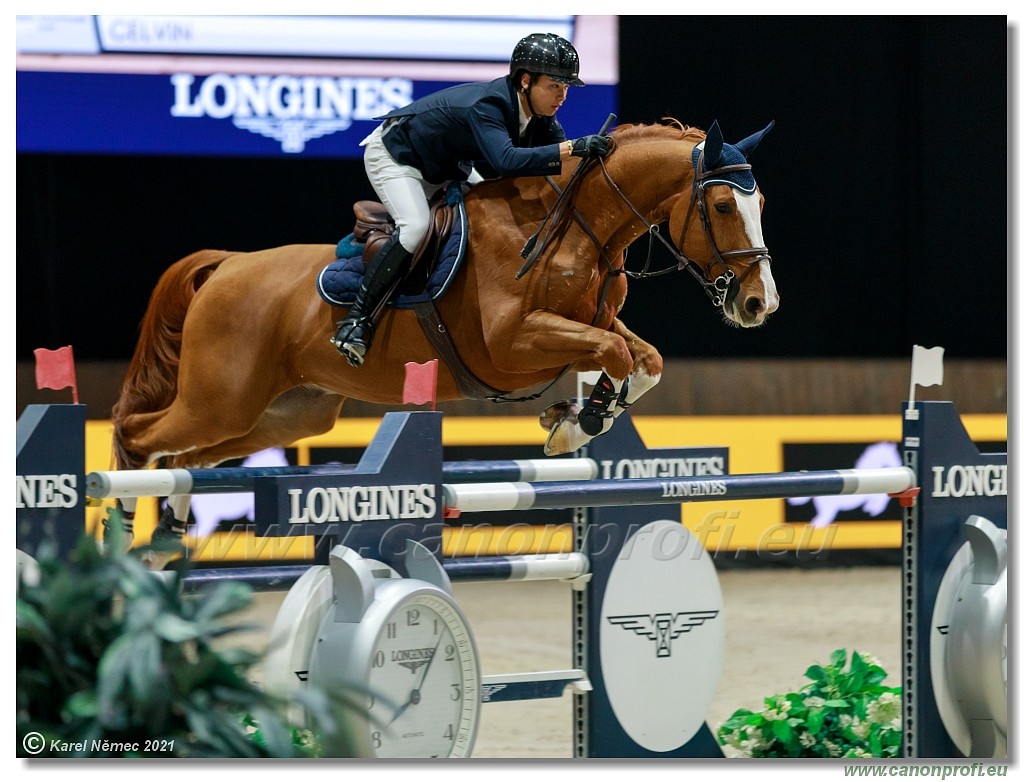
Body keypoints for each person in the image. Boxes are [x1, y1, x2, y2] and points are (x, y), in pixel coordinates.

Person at [332, 32, 611, 367]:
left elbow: (556, 172)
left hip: (447, 165)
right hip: (397, 157)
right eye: (555, 85)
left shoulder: (540, 116)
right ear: (525, 80)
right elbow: (506, 162)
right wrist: (574, 147)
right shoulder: (489, 105)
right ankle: (356, 321)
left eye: (566, 87)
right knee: (416, 227)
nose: (562, 96)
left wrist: (590, 159)